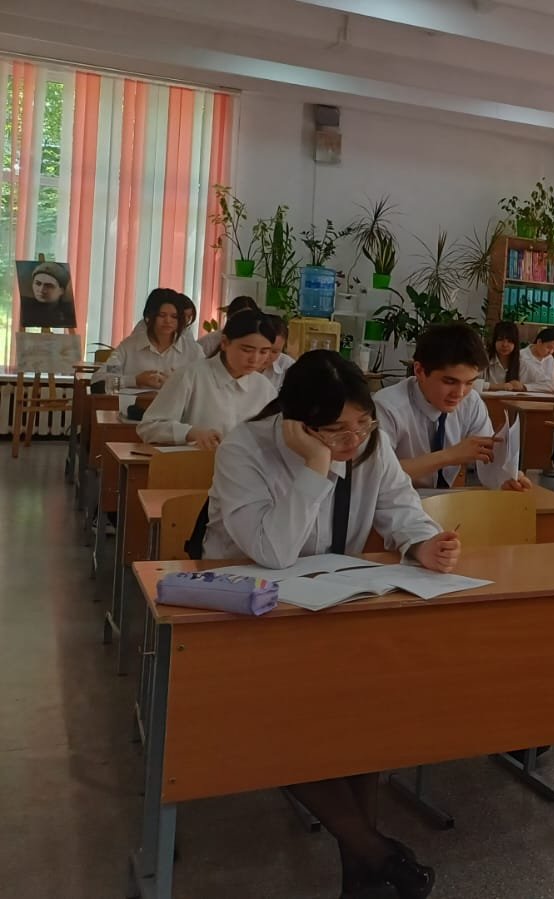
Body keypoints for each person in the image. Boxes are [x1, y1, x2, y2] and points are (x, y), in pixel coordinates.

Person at [204, 350, 452, 898]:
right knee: (279, 727)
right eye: (336, 430)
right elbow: (273, 552)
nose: (353, 440)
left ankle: (364, 869)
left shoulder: (368, 444)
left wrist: (423, 543)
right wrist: (316, 464)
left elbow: (400, 507)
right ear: (296, 422)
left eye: (363, 424)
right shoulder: (245, 449)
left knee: (357, 722)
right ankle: (375, 854)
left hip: (331, 602)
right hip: (249, 614)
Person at [374, 322, 531, 492]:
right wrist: (449, 456)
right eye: (449, 382)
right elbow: (376, 474)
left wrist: (506, 477)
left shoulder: (471, 401)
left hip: (444, 500)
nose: (460, 393)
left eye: (469, 382)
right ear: (419, 371)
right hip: (393, 500)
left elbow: (487, 458)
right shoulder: (387, 406)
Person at [136, 311, 279, 448]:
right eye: (247, 350)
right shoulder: (190, 376)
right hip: (194, 462)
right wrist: (190, 433)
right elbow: (148, 427)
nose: (255, 359)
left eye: (264, 352)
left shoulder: (264, 388)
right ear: (224, 342)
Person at [92, 289, 204, 390]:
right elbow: (99, 380)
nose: (168, 321)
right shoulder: (128, 347)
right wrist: (135, 380)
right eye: (162, 315)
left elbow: (206, 387)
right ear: (149, 317)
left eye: (174, 316)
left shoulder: (193, 351)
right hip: (133, 406)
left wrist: (177, 383)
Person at [20, 260, 75, 329]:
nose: (41, 290)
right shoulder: (26, 308)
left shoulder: (68, 314)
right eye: (38, 283)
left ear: (62, 290)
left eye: (49, 286)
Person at [484, 320, 527, 391]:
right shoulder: (484, 359)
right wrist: (497, 386)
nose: (505, 345)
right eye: (500, 339)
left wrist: (524, 386)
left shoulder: (522, 361)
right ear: (494, 341)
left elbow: (545, 384)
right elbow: (471, 383)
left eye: (510, 341)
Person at [520, 326, 554, 394]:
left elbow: (550, 385)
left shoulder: (550, 359)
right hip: (522, 395)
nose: (551, 352)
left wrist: (526, 387)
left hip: (544, 397)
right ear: (539, 341)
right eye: (549, 347)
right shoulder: (521, 356)